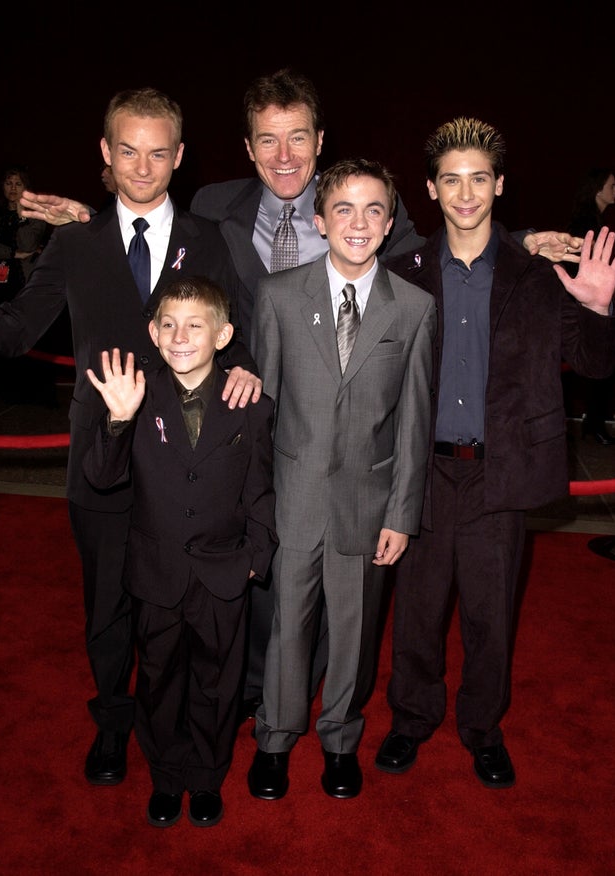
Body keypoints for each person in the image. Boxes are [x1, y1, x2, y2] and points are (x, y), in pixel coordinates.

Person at [18, 69, 584, 724]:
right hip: (240, 433)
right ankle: (257, 701)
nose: (283, 156)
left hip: (343, 447)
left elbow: (448, 249)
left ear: (319, 142)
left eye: (296, 139)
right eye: (267, 140)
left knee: (341, 596)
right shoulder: (213, 208)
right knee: (255, 580)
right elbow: (151, 230)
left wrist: (517, 246)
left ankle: (322, 708)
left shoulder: (365, 211)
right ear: (249, 148)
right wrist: (92, 218)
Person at [0, 86, 262, 789]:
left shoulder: (210, 239)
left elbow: (243, 333)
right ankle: (114, 722)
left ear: (179, 157)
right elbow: (17, 330)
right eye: (128, 151)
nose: (143, 168)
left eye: (159, 152)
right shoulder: (74, 243)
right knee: (108, 608)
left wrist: (248, 371)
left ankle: (189, 737)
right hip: (103, 459)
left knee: (188, 611)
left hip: (192, 465)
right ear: (106, 154)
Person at [374, 117, 615, 790]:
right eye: (450, 180)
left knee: (490, 614)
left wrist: (600, 308)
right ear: (430, 189)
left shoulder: (538, 275)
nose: (465, 193)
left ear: (499, 184)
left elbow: (595, 367)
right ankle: (412, 719)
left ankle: (483, 729)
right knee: (417, 610)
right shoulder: (403, 274)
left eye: (478, 178)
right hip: (424, 471)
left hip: (500, 472)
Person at [247, 157, 437, 802]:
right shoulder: (278, 297)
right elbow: (263, 410)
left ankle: (339, 739)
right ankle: (274, 738)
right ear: (321, 221)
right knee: (286, 628)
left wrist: (401, 514)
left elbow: (414, 420)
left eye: (373, 210)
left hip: (368, 502)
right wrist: (255, 503)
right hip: (292, 500)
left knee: (354, 634)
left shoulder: (413, 309)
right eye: (344, 210)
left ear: (388, 225)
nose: (359, 223)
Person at [82, 276, 277, 828]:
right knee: (160, 679)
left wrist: (256, 557)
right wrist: (118, 419)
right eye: (168, 324)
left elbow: (261, 491)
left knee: (218, 683)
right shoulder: (136, 394)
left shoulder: (252, 406)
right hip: (156, 571)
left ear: (223, 335)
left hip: (224, 571)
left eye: (196, 325)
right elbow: (100, 477)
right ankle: (167, 776)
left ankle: (208, 775)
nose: (180, 335)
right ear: (153, 332)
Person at [564, 166, 615, 446]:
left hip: (588, 304)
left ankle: (593, 422)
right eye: (612, 185)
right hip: (583, 307)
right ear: (598, 189)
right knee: (597, 363)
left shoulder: (592, 221)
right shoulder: (586, 224)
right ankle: (593, 422)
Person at [0, 164, 49, 402]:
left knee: (22, 333)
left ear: (27, 187)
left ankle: (25, 390)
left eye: (18, 183)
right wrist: (12, 254)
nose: (13, 188)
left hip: (23, 282)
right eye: (8, 183)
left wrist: (22, 215)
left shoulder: (36, 214)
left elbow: (27, 243)